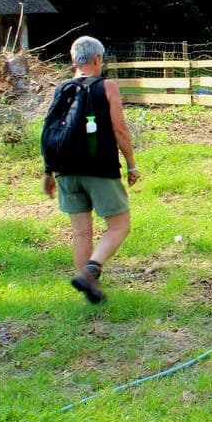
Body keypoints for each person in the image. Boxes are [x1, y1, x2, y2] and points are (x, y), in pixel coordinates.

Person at [41, 36, 141, 304]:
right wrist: (131, 164)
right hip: (99, 169)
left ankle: (90, 291)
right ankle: (90, 270)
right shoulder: (106, 86)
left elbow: (49, 127)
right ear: (97, 59)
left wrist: (48, 172)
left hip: (64, 170)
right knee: (119, 226)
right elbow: (120, 129)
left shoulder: (62, 88)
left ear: (73, 60)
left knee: (81, 232)